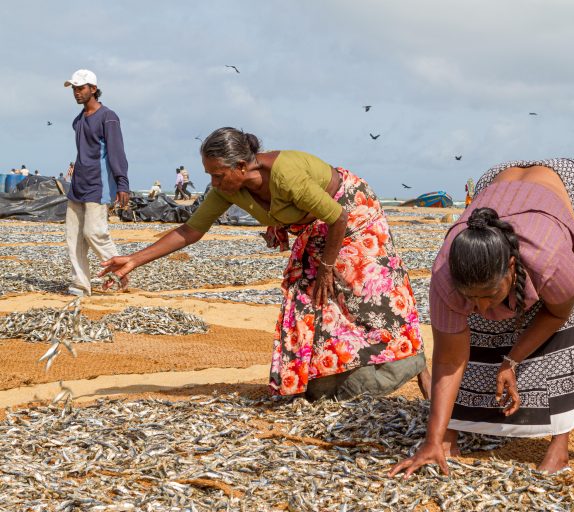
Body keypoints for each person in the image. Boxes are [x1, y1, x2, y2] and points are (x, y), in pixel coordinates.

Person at [100, 127, 430, 399]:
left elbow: (337, 216)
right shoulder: (228, 189)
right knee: (308, 298)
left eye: (218, 174)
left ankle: (421, 373)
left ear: (242, 167)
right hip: (320, 224)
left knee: (371, 294)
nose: (213, 183)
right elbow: (190, 230)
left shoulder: (284, 175)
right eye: (209, 175)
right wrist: (133, 260)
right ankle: (319, 383)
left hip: (352, 212)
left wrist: (327, 267)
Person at [389, 159, 574, 477]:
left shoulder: (551, 263)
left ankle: (559, 445)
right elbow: (449, 358)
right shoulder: (446, 274)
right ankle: (448, 432)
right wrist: (431, 439)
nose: (484, 307)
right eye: (471, 297)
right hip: (497, 183)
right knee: (473, 324)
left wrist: (512, 361)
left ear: (514, 267)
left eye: (490, 294)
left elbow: (558, 313)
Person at [64, 68, 130, 296]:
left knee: (94, 233)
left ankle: (120, 273)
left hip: (97, 186)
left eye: (80, 88)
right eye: (74, 89)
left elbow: (116, 152)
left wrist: (122, 182)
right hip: (77, 186)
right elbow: (84, 152)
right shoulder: (78, 120)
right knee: (73, 238)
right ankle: (80, 284)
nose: (76, 92)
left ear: (93, 89)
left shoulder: (108, 117)